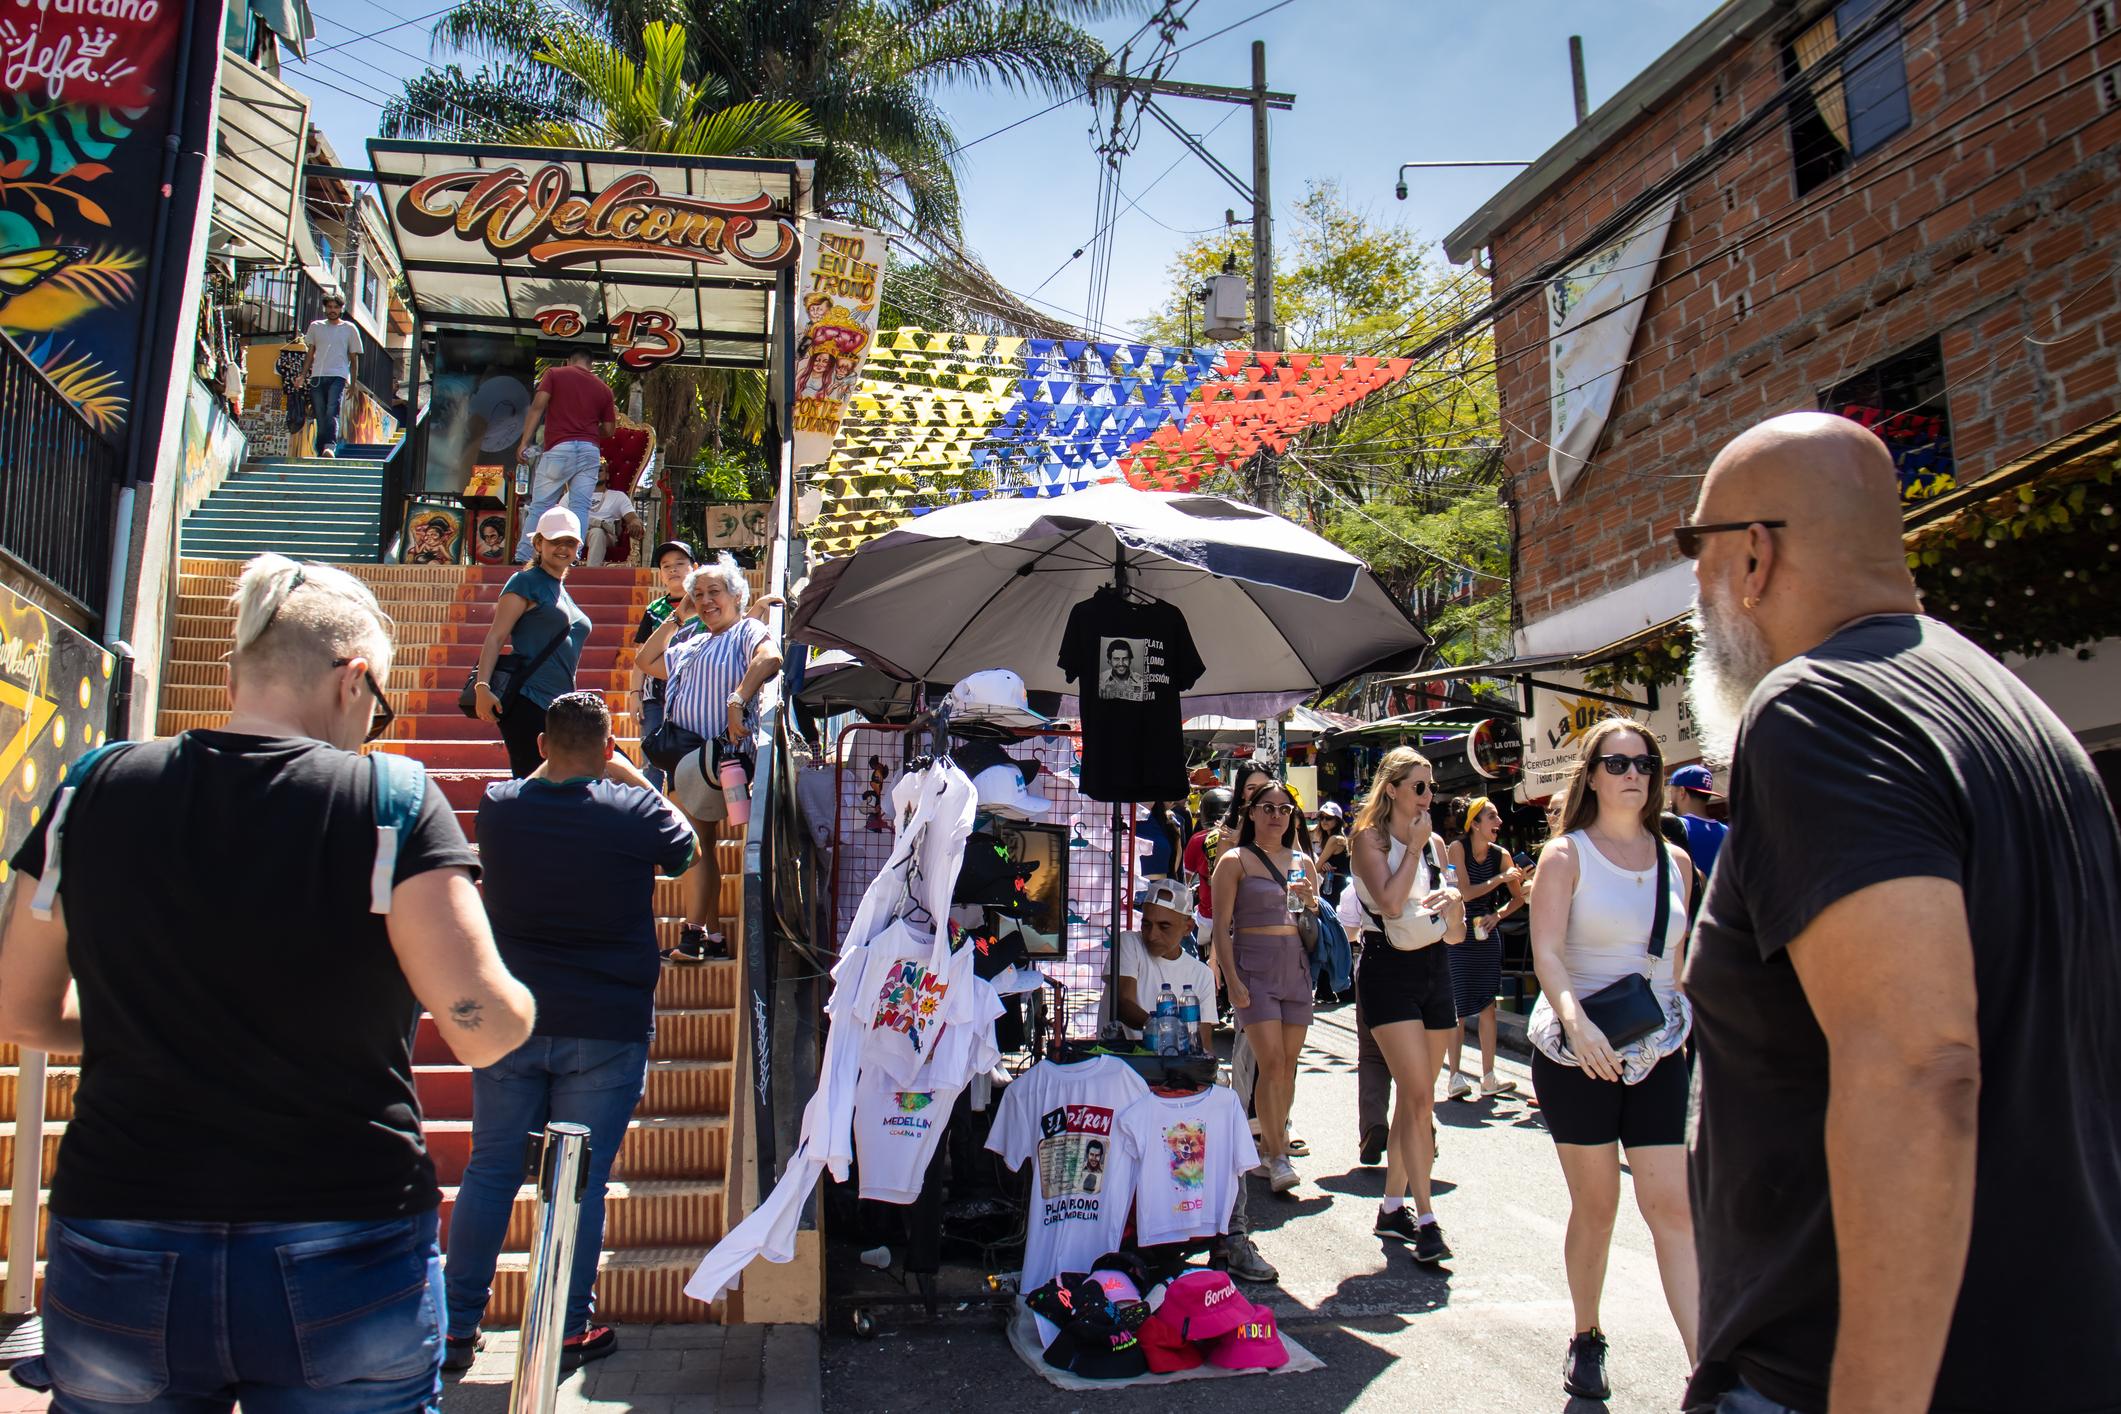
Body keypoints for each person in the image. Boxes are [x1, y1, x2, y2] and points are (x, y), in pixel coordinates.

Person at [0, 555, 535, 1407]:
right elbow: (482, 1027)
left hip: (123, 1222)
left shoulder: (90, 790)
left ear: (231, 672)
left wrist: (142, 1026)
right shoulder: (388, 800)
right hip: (342, 1229)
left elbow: (19, 1011)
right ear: (354, 679)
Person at [1680, 412, 2121, 1414]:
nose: (1693, 595)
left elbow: (1919, 1066)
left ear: (1754, 555)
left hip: (1858, 1372)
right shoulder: (2028, 720)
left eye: (1695, 553)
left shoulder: (1819, 707)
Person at [445, 692, 697, 1373]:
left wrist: (552, 762)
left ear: (541, 745)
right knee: (577, 1184)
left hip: (514, 1022)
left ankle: (455, 1326)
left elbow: (529, 779)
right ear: (608, 746)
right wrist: (628, 772)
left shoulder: (499, 806)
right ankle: (565, 1326)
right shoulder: (635, 810)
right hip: (605, 1024)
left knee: (491, 1171)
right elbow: (687, 849)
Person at [1525, 718, 1697, 1402]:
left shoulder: (1676, 860)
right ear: (1591, 774)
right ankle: (1586, 1333)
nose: (1633, 774)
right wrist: (1578, 1026)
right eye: (1617, 762)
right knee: (1597, 1207)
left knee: (1672, 1210)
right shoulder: (1565, 855)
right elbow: (1545, 954)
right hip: (1580, 1053)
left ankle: (1701, 1367)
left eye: (1644, 764)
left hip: (1659, 1049)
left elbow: (1677, 970)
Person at [1348, 747, 1464, 1263]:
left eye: (1431, 786)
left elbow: (1456, 934)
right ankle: (1428, 1218)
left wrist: (1455, 906)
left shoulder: (1437, 843)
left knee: (1417, 1098)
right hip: (1387, 968)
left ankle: (1393, 1207)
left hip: (1434, 966)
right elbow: (1391, 903)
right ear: (1392, 788)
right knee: (1419, 1100)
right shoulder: (1368, 838)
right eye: (1419, 786)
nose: (1428, 795)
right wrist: (1413, 848)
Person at [636, 555, 783, 962]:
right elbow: (645, 661)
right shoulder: (693, 641)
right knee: (701, 845)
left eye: (714, 592)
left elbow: (770, 658)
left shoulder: (746, 630)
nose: (705, 600)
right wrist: (678, 616)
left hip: (715, 757)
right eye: (698, 594)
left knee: (693, 845)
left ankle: (694, 935)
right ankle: (714, 936)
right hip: (682, 758)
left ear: (737, 596)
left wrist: (738, 698)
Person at [1210, 778, 1318, 1193]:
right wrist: (1231, 981)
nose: (1276, 816)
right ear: (1251, 812)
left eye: (1284, 810)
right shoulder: (1234, 860)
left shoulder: (1302, 861)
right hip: (1254, 968)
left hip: (1295, 967)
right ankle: (1277, 1156)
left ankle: (1274, 1146)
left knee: (1287, 1068)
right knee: (1270, 1064)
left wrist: (1310, 899)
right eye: (1268, 808)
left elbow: (1309, 918)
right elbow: (1221, 926)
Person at [474, 507, 592, 779]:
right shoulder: (525, 582)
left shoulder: (562, 591)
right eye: (555, 541)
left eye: (570, 542)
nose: (563, 548)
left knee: (564, 782)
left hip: (561, 705)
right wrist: (482, 686)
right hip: (527, 700)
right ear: (538, 543)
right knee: (531, 782)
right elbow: (496, 636)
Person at [1442, 796, 1525, 1100]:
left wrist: (1497, 915)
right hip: (1460, 931)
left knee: (1488, 1005)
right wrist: (1501, 878)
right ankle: (1454, 1076)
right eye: (1492, 817)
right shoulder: (1457, 848)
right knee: (1458, 1007)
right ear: (1474, 823)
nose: (1499, 823)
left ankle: (1488, 1076)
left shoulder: (1501, 854)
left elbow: (1517, 898)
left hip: (1485, 935)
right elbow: (1463, 891)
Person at [513, 350, 616, 562]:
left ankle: (524, 556)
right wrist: (587, 432)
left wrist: (524, 441)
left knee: (541, 505)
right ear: (592, 365)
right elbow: (608, 429)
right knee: (580, 506)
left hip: (559, 448)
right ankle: (573, 556)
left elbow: (537, 407)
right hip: (589, 452)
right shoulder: (604, 389)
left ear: (568, 360)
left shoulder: (555, 374)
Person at [1115, 879, 1219, 1051]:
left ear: (1188, 928)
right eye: (1146, 924)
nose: (1152, 935)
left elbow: (1203, 1044)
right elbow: (1124, 1003)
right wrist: (1164, 1028)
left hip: (1173, 1072)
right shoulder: (1129, 943)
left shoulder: (1202, 974)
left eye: (1164, 927)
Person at [633, 539, 698, 791]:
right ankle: (650, 811)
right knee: (651, 757)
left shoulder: (704, 607)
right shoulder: (653, 610)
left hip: (690, 696)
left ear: (694, 567)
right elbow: (641, 654)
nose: (673, 570)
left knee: (682, 761)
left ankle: (679, 813)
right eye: (666, 566)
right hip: (654, 697)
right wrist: (634, 694)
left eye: (680, 564)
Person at [303, 293, 361, 457]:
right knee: (320, 413)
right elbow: (310, 353)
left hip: (339, 375)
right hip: (317, 376)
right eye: (329, 307)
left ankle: (330, 446)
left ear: (341, 309)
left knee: (331, 410)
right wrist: (302, 375)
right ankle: (321, 448)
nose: (332, 310)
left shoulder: (349, 329)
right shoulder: (315, 326)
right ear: (325, 308)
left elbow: (354, 358)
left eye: (336, 307)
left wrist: (354, 382)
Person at [1665, 764, 1728, 879]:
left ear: (1682, 792)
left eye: (1671, 792)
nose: (1670, 801)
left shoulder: (1675, 828)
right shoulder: (1727, 832)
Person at [585, 466, 644, 567]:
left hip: (605, 535)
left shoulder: (618, 496)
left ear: (607, 475)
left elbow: (633, 517)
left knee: (597, 532)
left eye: (599, 470)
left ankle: (590, 575)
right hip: (579, 533)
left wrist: (635, 522)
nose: (595, 472)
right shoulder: (573, 495)